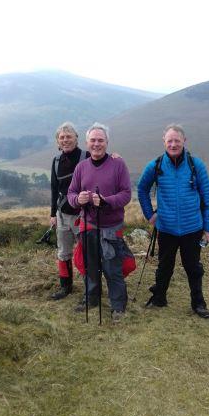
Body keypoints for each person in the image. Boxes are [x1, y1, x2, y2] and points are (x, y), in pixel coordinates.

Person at [137, 123, 209, 318]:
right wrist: (150, 215)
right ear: (164, 141)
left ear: (184, 141)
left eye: (177, 141)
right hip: (166, 228)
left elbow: (207, 197)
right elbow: (141, 189)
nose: (173, 144)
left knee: (193, 267)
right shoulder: (155, 165)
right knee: (165, 266)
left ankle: (198, 304)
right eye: (169, 140)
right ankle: (159, 298)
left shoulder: (196, 165)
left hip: (192, 228)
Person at [68, 122, 132, 321]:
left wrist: (106, 201)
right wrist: (78, 200)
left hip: (111, 226)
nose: (97, 144)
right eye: (93, 140)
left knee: (113, 268)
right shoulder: (81, 167)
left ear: (107, 142)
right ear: (87, 143)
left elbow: (126, 194)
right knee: (90, 266)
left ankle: (118, 306)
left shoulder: (118, 164)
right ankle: (92, 298)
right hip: (88, 224)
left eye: (100, 140)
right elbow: (71, 193)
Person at [49, 122, 89, 300]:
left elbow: (104, 164)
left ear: (76, 138)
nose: (65, 140)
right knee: (63, 252)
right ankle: (66, 287)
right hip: (62, 215)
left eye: (69, 136)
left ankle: (91, 289)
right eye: (62, 137)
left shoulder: (87, 156)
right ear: (58, 141)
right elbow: (53, 188)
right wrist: (52, 214)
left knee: (87, 254)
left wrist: (115, 158)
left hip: (83, 215)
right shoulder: (56, 161)